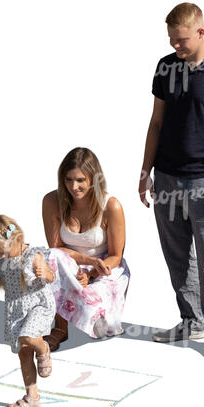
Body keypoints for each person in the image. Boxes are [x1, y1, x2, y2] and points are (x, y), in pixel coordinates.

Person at [138, 2, 204, 359]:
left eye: (181, 40)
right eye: (171, 40)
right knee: (178, 255)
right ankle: (190, 320)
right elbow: (156, 123)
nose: (175, 47)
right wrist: (145, 172)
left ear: (200, 32)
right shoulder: (165, 68)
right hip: (167, 177)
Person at [42, 147, 130, 347]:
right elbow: (56, 250)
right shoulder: (51, 201)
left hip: (104, 266)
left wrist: (90, 273)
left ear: (93, 179)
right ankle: (60, 328)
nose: (74, 186)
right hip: (67, 264)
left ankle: (100, 314)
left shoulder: (111, 205)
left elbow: (116, 255)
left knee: (98, 324)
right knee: (50, 259)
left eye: (80, 180)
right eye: (68, 180)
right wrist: (80, 267)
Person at [0, 215, 56, 407]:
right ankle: (32, 397)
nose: (5, 257)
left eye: (7, 252)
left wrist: (45, 273)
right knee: (23, 354)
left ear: (17, 240)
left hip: (38, 304)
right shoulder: (2, 258)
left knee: (27, 336)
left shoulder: (32, 255)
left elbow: (51, 275)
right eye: (0, 254)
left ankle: (43, 349)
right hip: (16, 310)